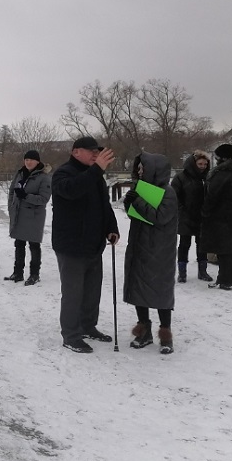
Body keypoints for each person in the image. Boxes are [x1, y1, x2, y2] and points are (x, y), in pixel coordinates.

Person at [51, 136, 120, 353]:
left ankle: (88, 326)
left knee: (92, 291)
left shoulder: (96, 176)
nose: (95, 154)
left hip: (93, 244)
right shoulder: (63, 174)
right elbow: (73, 190)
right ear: (75, 152)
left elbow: (104, 206)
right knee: (73, 293)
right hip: (71, 245)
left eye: (97, 151)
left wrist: (112, 227)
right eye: (90, 151)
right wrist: (96, 169)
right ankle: (71, 335)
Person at [122, 152, 179, 354]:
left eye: (142, 168)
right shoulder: (141, 189)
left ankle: (165, 333)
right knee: (139, 288)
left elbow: (160, 217)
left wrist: (137, 202)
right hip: (139, 246)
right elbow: (138, 216)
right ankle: (143, 329)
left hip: (160, 250)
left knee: (161, 290)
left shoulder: (168, 192)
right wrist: (129, 203)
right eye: (138, 168)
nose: (139, 171)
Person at [202, 144, 232, 290]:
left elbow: (212, 198)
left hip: (221, 218)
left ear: (223, 158)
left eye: (217, 157)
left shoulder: (220, 176)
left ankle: (224, 280)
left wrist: (205, 212)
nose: (216, 160)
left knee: (224, 250)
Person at [4, 149, 51, 285]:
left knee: (34, 245)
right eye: (26, 160)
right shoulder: (20, 174)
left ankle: (34, 274)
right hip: (19, 214)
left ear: (37, 161)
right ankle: (18, 273)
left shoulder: (44, 177)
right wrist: (11, 206)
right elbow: (12, 192)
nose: (28, 162)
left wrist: (25, 196)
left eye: (31, 160)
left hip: (34, 216)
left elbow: (44, 198)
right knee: (19, 244)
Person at [171, 150, 212, 283]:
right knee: (184, 245)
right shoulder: (181, 178)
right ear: (193, 163)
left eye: (205, 164)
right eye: (200, 164)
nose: (202, 166)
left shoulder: (208, 178)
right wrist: (182, 210)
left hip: (203, 216)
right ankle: (182, 273)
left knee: (202, 245)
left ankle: (203, 271)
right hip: (186, 216)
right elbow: (175, 197)